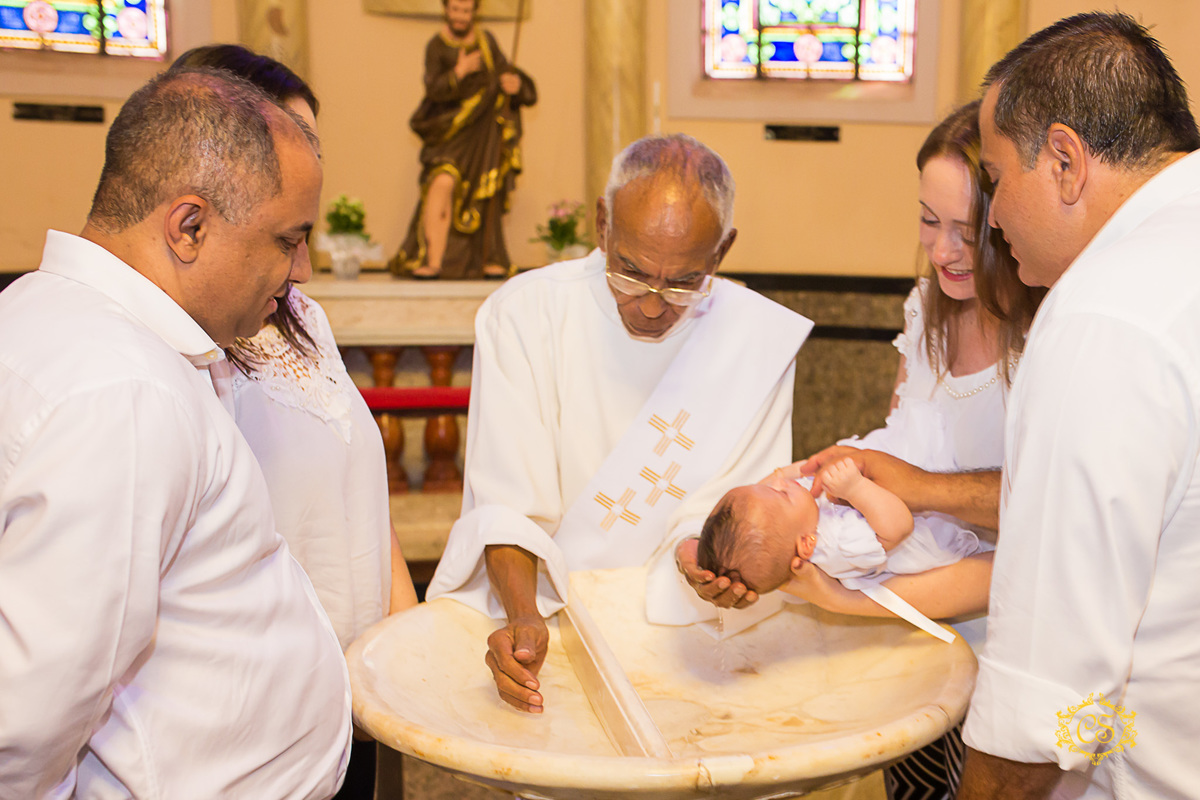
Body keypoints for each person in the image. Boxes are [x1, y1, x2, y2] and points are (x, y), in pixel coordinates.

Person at [809, 12, 1200, 798]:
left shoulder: (1097, 318)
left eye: (995, 178)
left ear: (1064, 160)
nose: (991, 218)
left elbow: (1049, 689)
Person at [0, 69, 351, 798]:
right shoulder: (126, 391)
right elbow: (30, 719)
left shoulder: (43, 312)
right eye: (288, 240)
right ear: (188, 227)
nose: (302, 271)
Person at [426, 133, 813, 713]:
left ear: (722, 251)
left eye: (684, 281)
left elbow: (731, 506)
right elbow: (505, 503)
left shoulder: (752, 340)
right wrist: (524, 615)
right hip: (547, 622)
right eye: (630, 272)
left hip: (683, 637)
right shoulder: (526, 315)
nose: (653, 304)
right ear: (603, 224)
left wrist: (701, 562)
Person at [168, 44, 419, 800]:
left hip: (354, 693)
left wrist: (406, 658)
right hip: (260, 724)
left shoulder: (304, 314)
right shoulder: (190, 344)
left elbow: (358, 489)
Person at [698, 461, 986, 609]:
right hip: (934, 532)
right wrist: (855, 488)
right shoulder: (840, 544)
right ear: (807, 544)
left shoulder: (797, 519)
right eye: (781, 492)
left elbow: (790, 479)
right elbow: (899, 527)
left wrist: (808, 469)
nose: (778, 481)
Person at [390, 0, 537, 280]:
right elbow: (433, 88)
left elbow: (506, 73)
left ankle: (489, 258)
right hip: (450, 131)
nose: (460, 16)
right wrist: (460, 71)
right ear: (446, 9)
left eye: (466, 11)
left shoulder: (486, 41)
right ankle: (432, 260)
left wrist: (514, 86)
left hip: (481, 134)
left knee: (484, 191)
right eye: (455, 10)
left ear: (474, 12)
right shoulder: (437, 45)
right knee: (442, 182)